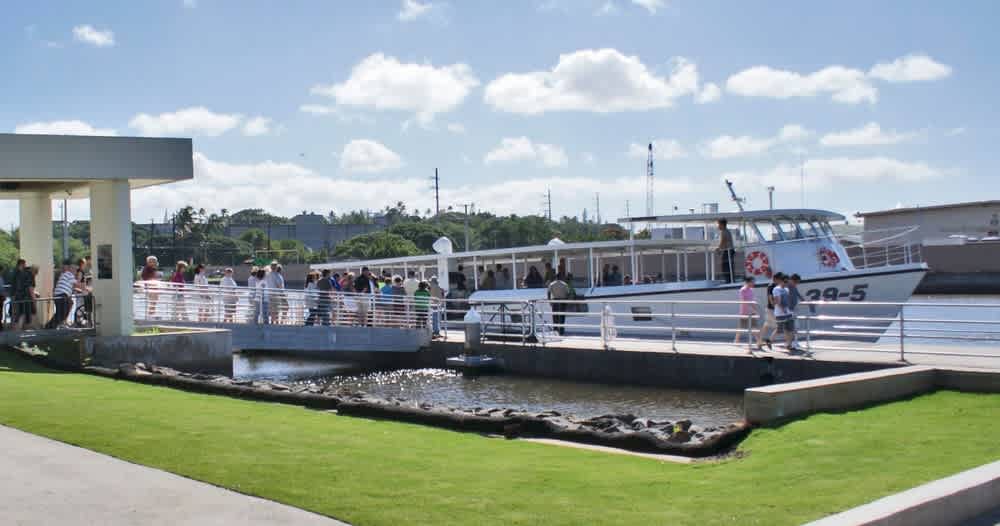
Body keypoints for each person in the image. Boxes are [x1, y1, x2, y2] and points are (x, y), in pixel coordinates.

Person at [46, 259, 76, 329]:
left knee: (61, 312)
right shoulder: (65, 273)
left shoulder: (63, 273)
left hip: (61, 294)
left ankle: (52, 326)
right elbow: (74, 283)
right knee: (62, 312)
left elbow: (69, 285)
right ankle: (52, 326)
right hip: (61, 294)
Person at [757, 272, 784, 351]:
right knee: (780, 326)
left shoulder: (776, 286)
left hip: (771, 309)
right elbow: (770, 298)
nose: (781, 281)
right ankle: (769, 340)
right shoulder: (771, 286)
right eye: (780, 279)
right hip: (772, 309)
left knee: (766, 325)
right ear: (776, 279)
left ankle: (759, 342)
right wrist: (776, 307)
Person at [771, 274, 794, 351]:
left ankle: (789, 345)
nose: (786, 283)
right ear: (781, 281)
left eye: (787, 282)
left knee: (790, 329)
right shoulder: (776, 289)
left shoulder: (787, 289)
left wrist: (789, 309)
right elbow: (777, 301)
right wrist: (782, 309)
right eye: (785, 281)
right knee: (779, 329)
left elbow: (788, 300)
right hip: (780, 313)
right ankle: (769, 341)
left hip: (788, 312)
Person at [734, 276, 758, 345]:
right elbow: (744, 300)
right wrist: (751, 306)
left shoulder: (751, 290)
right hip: (744, 312)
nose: (754, 283)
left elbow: (752, 300)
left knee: (754, 326)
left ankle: (758, 341)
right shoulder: (742, 290)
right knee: (741, 327)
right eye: (753, 282)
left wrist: (755, 308)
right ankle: (736, 341)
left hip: (752, 311)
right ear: (748, 282)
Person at [786, 273, 806, 352]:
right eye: (796, 282)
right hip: (788, 310)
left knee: (795, 326)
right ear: (792, 280)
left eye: (798, 282)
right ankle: (791, 343)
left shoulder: (794, 286)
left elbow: (797, 294)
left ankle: (794, 342)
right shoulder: (786, 287)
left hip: (793, 309)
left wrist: (804, 301)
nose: (797, 284)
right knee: (791, 327)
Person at [717, 218, 735, 284]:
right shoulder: (727, 231)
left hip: (728, 251)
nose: (718, 226)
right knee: (728, 266)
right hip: (729, 250)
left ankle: (728, 281)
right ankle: (730, 280)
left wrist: (718, 249)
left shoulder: (724, 232)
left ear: (722, 224)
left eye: (718, 224)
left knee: (725, 266)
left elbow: (723, 242)